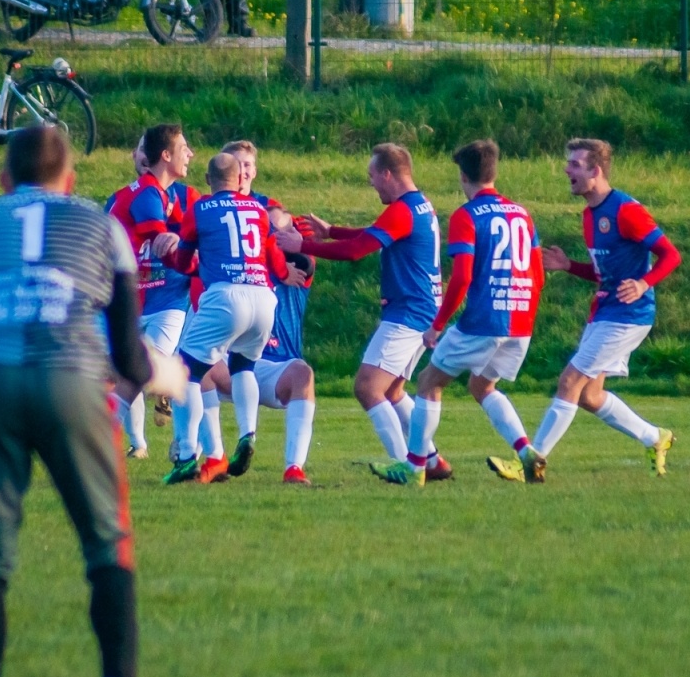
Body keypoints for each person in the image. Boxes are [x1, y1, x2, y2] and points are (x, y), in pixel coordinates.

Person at [0, 126, 183, 677]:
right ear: (70, 180)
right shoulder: (101, 227)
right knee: (106, 543)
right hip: (70, 375)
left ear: (3, 180)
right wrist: (163, 375)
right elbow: (125, 350)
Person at [376, 140, 545, 487]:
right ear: (494, 173)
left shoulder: (466, 215)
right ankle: (526, 451)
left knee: (428, 383)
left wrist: (437, 326)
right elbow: (538, 274)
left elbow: (463, 277)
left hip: (484, 321)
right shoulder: (522, 214)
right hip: (521, 320)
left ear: (463, 176)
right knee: (482, 385)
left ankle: (415, 467)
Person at [275, 143, 445, 480]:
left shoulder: (402, 209)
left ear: (387, 174)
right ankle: (433, 460)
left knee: (367, 387)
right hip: (423, 308)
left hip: (408, 311)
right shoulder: (418, 204)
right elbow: (373, 235)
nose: (371, 183)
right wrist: (332, 232)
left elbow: (357, 251)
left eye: (371, 176)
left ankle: (409, 466)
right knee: (393, 391)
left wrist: (303, 245)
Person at [516, 138, 683, 478]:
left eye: (574, 165)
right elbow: (603, 272)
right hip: (605, 312)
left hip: (628, 315)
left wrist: (643, 284)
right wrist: (569, 266)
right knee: (589, 395)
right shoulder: (591, 215)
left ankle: (533, 461)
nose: (567, 169)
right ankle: (656, 437)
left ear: (596, 171)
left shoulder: (626, 210)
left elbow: (671, 255)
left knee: (570, 381)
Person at [154, 153, 305, 484]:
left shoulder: (199, 209)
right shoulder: (259, 212)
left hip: (225, 295)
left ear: (208, 181)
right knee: (243, 366)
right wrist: (283, 273)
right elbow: (274, 260)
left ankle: (186, 455)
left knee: (184, 373)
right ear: (240, 180)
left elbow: (183, 260)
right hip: (264, 298)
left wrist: (175, 259)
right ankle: (247, 434)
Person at [205, 140, 319, 485]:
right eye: (236, 165)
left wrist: (285, 233)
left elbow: (301, 250)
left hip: (272, 361)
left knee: (303, 374)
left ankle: (293, 468)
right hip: (231, 354)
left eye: (248, 166)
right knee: (200, 366)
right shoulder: (214, 219)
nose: (243, 172)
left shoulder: (274, 220)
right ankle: (212, 457)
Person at [106, 124, 196, 460]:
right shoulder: (147, 194)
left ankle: (113, 436)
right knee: (148, 369)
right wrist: (192, 254)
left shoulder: (154, 192)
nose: (191, 153)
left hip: (137, 295)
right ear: (166, 155)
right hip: (123, 294)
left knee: (135, 369)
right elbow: (163, 246)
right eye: (184, 147)